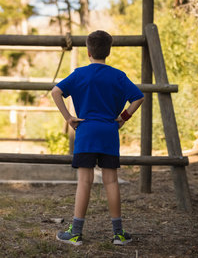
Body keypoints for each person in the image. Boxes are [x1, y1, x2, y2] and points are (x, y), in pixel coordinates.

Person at [51, 30, 144, 246]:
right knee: (111, 181)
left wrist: (69, 118)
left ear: (88, 51)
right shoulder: (118, 76)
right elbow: (138, 97)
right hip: (109, 133)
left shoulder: (80, 74)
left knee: (84, 181)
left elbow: (56, 92)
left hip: (85, 133)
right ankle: (118, 234)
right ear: (108, 51)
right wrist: (123, 117)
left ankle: (75, 233)